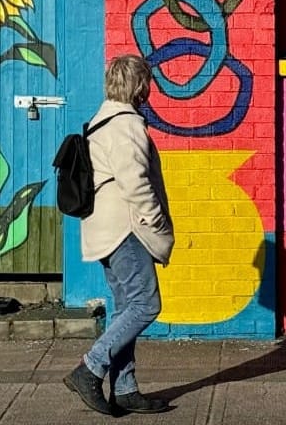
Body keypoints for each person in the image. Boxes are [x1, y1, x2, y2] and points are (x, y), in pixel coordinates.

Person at [63, 54, 175, 416]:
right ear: (139, 86)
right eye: (147, 83)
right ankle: (90, 368)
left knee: (126, 308)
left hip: (103, 229)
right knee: (146, 304)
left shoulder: (100, 120)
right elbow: (136, 184)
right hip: (125, 229)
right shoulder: (125, 126)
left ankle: (125, 388)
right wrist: (155, 221)